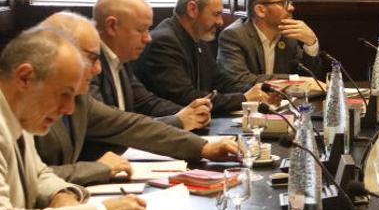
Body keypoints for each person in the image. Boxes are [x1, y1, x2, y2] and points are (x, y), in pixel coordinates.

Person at [0, 26, 145, 210]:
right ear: (24, 77)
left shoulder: (18, 112)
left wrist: (61, 194)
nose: (68, 109)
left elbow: (40, 173)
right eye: (63, 94)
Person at [34, 12, 240, 187]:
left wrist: (203, 147)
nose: (97, 69)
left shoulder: (80, 99)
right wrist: (97, 169)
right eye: (91, 58)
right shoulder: (19, 104)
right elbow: (29, 179)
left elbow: (132, 126)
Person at [133, 0, 267, 113]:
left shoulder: (199, 38)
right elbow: (186, 97)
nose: (220, 22)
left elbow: (220, 82)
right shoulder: (164, 42)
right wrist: (243, 98)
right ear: (192, 9)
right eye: (216, 14)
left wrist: (260, 90)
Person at [91, 0, 211, 131]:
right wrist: (177, 120)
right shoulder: (89, 65)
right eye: (141, 30)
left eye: (148, 29)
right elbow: (109, 124)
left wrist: (190, 113)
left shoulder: (120, 60)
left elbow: (147, 102)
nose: (148, 38)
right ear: (112, 26)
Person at [216, 0, 324, 91]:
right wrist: (294, 80)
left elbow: (309, 77)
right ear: (260, 10)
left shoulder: (288, 37)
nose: (291, 8)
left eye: (290, 2)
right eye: (283, 3)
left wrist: (311, 43)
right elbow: (239, 80)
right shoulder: (234, 36)